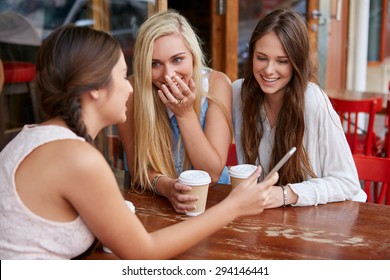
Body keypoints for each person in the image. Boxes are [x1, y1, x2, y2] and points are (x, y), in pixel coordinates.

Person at [0, 24, 278, 260]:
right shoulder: (78, 158)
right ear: (96, 89)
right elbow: (143, 254)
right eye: (123, 76)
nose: (131, 86)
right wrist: (234, 206)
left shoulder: (35, 135)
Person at [232, 9, 367, 208]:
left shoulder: (312, 100)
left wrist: (287, 194)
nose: (269, 70)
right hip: (270, 219)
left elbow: (348, 183)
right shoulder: (238, 93)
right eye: (261, 58)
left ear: (297, 63)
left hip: (326, 219)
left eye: (282, 61)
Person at [117, 10, 232, 214]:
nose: (168, 74)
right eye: (155, 64)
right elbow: (137, 169)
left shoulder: (217, 84)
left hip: (214, 204)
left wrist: (185, 114)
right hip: (155, 204)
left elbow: (212, 173)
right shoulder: (131, 92)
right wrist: (167, 187)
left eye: (177, 60)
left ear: (193, 56)